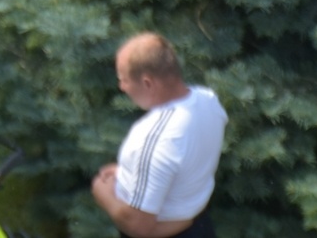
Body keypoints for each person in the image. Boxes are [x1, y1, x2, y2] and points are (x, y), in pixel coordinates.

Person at [91, 34, 226, 238]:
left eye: (124, 79)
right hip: (201, 226)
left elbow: (138, 227)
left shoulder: (154, 139)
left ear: (147, 83)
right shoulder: (207, 100)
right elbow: (181, 164)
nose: (122, 87)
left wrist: (103, 194)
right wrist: (129, 171)